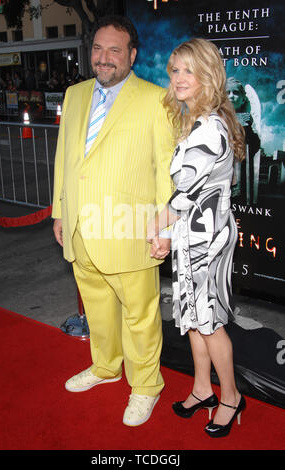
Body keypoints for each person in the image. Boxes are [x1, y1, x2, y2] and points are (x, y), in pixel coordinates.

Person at [52, 15, 174, 426]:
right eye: (98, 49)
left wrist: (165, 226)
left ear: (132, 55)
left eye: (114, 50)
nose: (103, 58)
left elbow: (167, 171)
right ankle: (105, 367)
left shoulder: (157, 99)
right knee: (99, 309)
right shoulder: (74, 94)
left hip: (130, 228)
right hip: (81, 227)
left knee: (140, 315)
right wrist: (58, 210)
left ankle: (146, 386)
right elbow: (64, 160)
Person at [146, 38, 247, 438]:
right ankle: (203, 388)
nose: (179, 78)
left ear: (209, 75)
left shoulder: (209, 129)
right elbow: (188, 199)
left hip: (208, 239)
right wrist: (170, 235)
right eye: (174, 70)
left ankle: (231, 396)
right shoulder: (198, 122)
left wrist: (153, 230)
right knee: (192, 319)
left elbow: (182, 196)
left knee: (209, 322)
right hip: (194, 233)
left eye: (189, 70)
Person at [226, 77, 261, 205]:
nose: (231, 96)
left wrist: (248, 128)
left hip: (241, 169)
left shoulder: (247, 118)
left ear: (243, 99)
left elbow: (255, 146)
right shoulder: (217, 118)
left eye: (235, 93)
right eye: (227, 93)